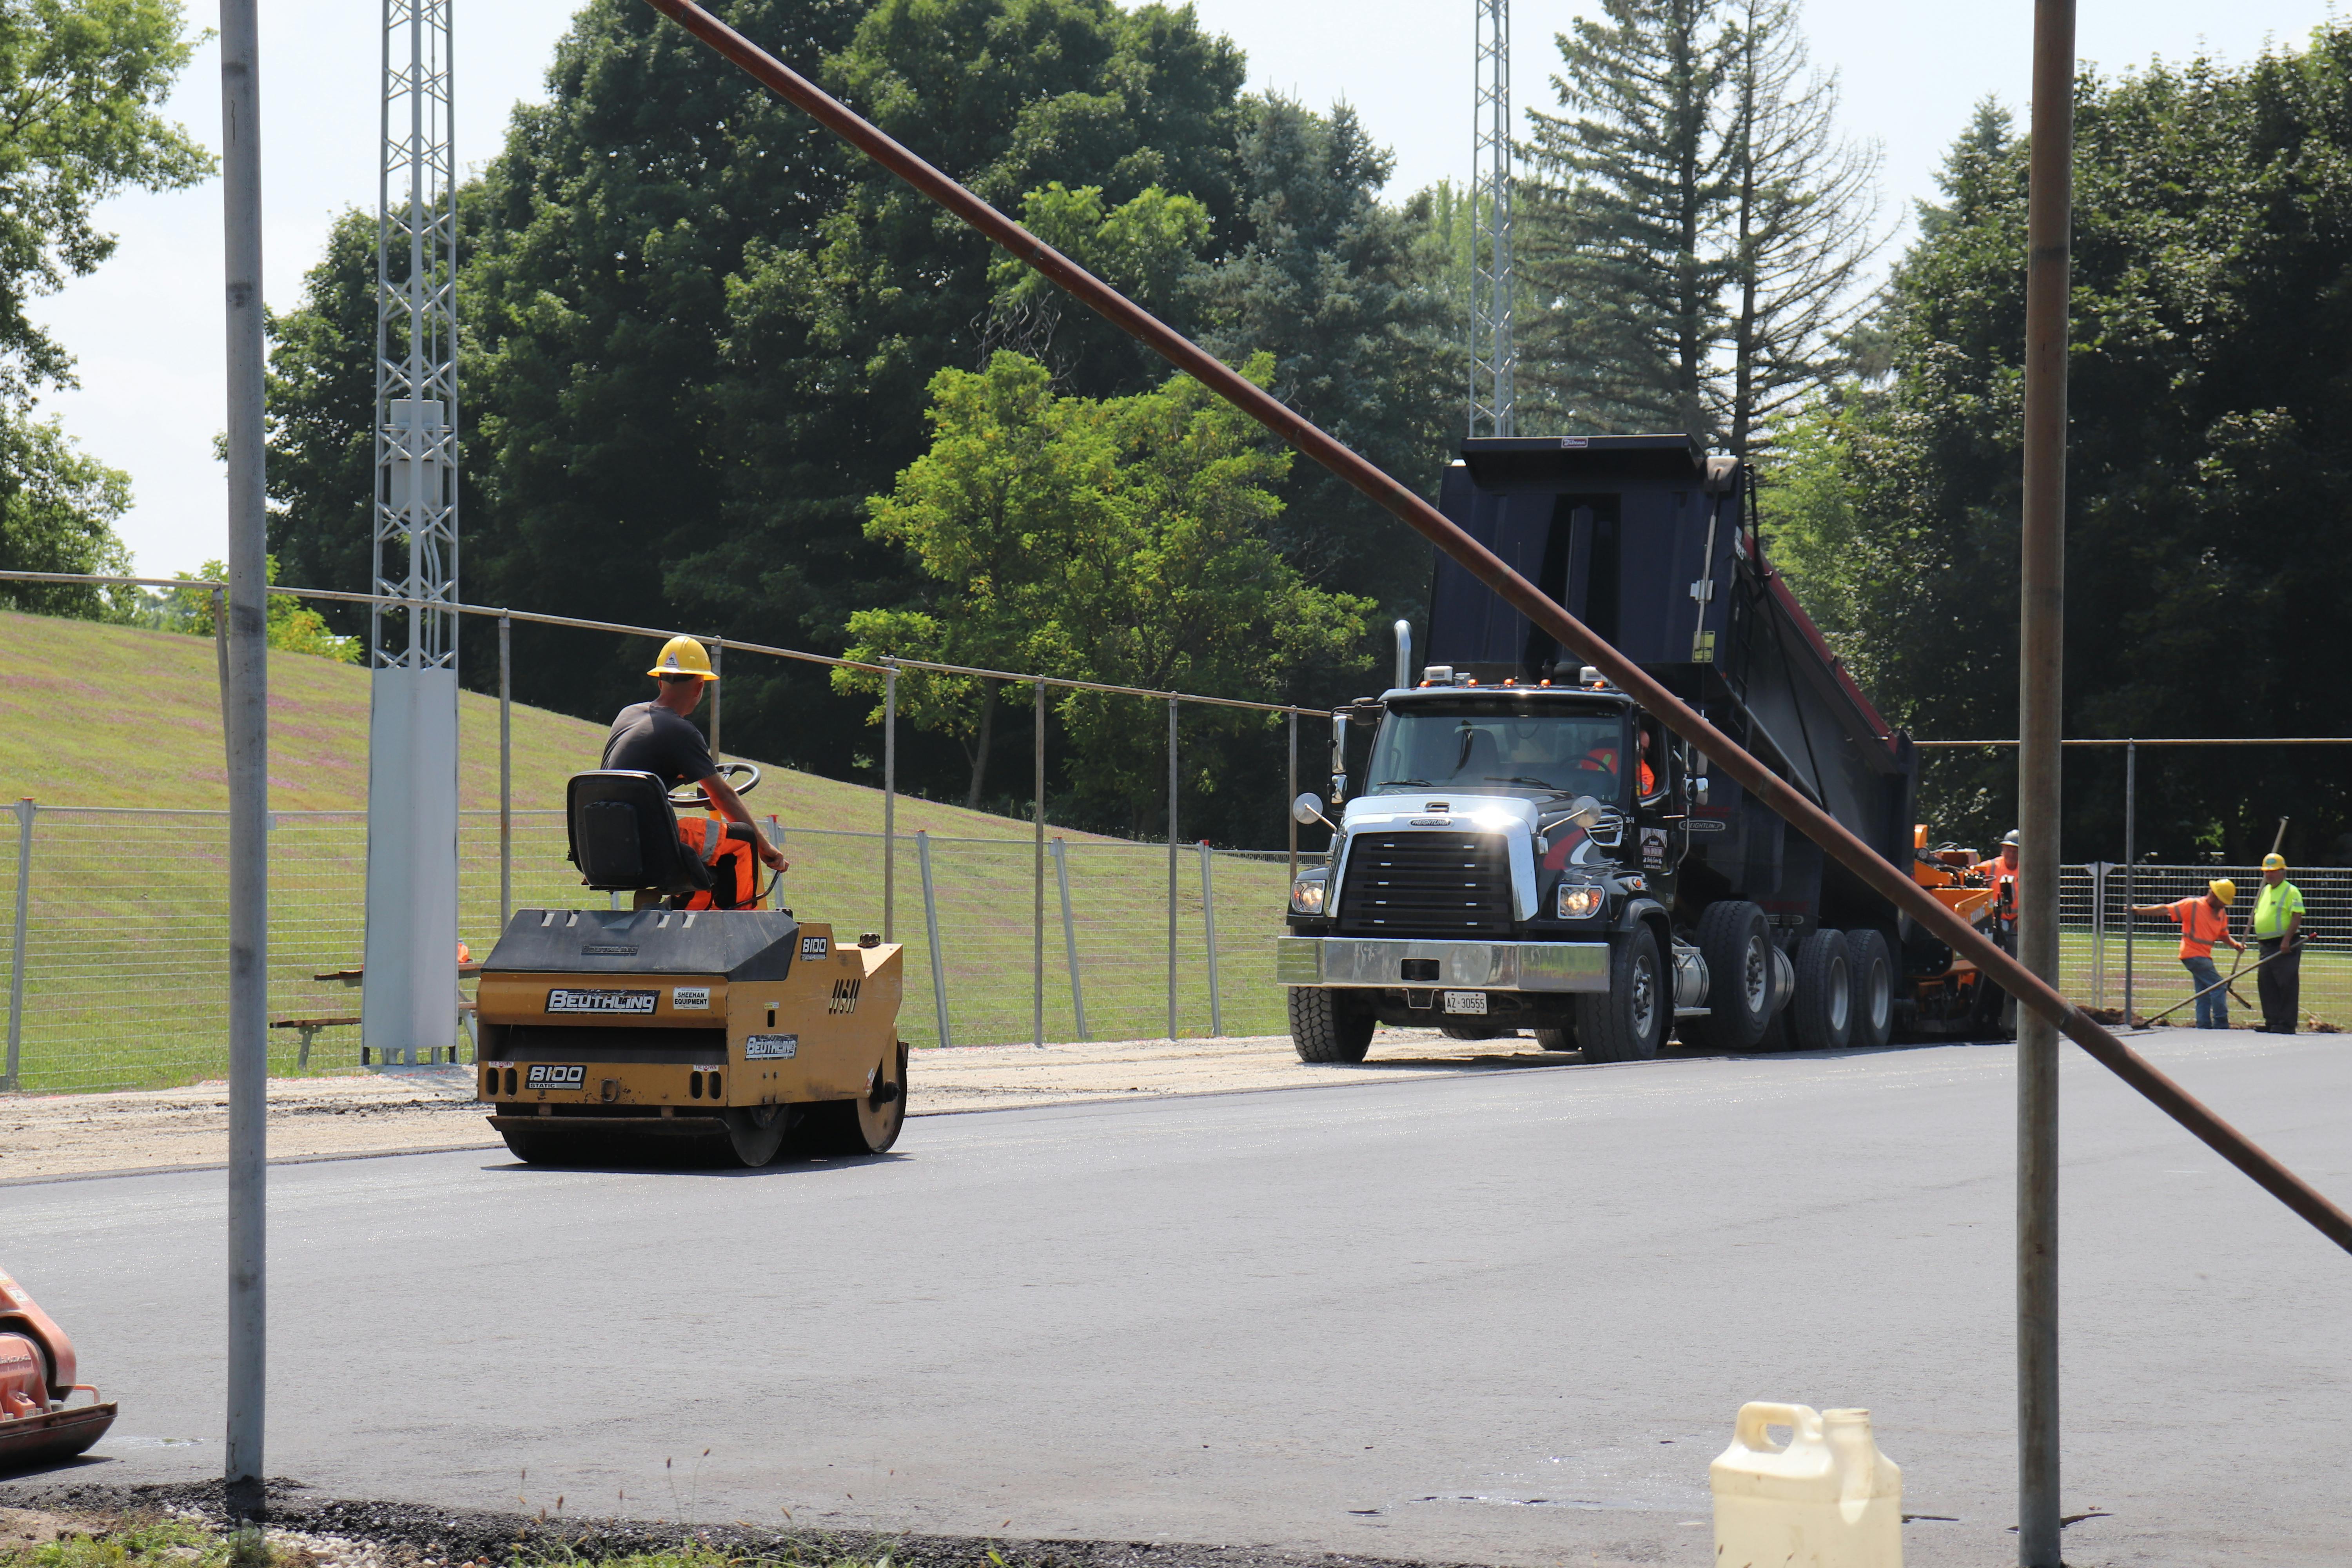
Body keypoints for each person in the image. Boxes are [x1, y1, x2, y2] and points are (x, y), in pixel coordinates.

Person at [604, 635, 788, 886]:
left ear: (660, 682)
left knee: (703, 846)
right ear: (700, 687)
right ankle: (738, 919)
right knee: (744, 839)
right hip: (649, 845)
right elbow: (723, 796)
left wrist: (678, 776)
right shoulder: (682, 732)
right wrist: (766, 850)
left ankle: (689, 912)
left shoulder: (627, 715)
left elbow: (638, 775)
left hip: (605, 843)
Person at [2132, 880, 2241, 1029]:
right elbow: (2165, 910)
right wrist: (2139, 911)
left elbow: (2223, 935)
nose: (2224, 905)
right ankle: (2221, 1023)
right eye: (2223, 902)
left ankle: (2203, 1024)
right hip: (2193, 955)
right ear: (2214, 896)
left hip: (2204, 957)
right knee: (2219, 987)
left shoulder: (2221, 914)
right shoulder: (2193, 905)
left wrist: (2236, 945)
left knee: (2204, 991)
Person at [2252, 853, 2305, 1034]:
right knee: (2266, 983)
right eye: (2267, 872)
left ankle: (2287, 1024)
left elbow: (2296, 916)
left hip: (2284, 945)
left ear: (2283, 872)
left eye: (2273, 872)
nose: (2269, 875)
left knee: (2286, 983)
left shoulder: (2291, 891)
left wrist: (2286, 941)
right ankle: (2272, 1020)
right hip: (2266, 945)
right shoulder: (2265, 891)